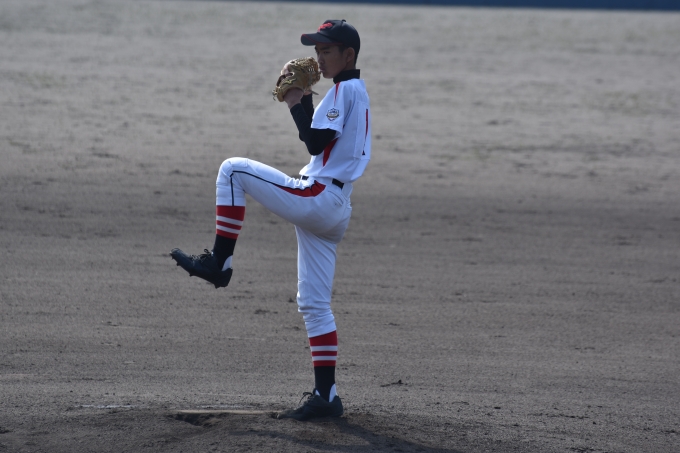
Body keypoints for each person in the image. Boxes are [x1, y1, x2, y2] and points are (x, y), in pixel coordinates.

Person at [170, 19, 371, 421]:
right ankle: (327, 395)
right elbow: (320, 141)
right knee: (314, 304)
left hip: (319, 197)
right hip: (334, 208)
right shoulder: (354, 92)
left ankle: (219, 262)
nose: (319, 58)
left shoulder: (344, 90)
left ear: (348, 55)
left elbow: (314, 141)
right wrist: (305, 99)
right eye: (317, 50)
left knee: (232, 170)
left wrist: (296, 100)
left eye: (327, 51)